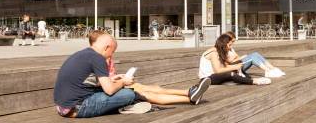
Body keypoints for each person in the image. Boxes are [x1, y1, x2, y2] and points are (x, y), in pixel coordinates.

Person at [54, 31, 210, 118]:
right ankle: (189, 96)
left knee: (134, 90)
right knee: (130, 94)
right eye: (112, 51)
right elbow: (109, 90)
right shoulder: (98, 58)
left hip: (64, 106)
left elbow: (84, 82)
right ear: (107, 47)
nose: (111, 56)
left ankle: (189, 96)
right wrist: (123, 81)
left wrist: (113, 78)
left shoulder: (83, 54)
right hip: (77, 107)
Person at [199, 33, 271, 85]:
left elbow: (223, 66)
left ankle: (248, 79)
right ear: (224, 44)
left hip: (214, 76)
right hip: (207, 78)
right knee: (231, 74)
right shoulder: (213, 53)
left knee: (239, 73)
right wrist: (234, 67)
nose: (230, 47)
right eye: (229, 45)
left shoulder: (219, 51)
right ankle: (254, 81)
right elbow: (217, 70)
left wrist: (236, 66)